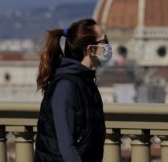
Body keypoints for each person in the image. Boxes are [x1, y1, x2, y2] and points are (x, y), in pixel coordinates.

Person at [34, 18, 112, 162]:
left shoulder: (86, 82)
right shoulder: (66, 86)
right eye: (104, 41)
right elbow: (66, 146)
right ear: (91, 50)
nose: (108, 46)